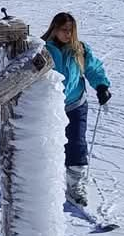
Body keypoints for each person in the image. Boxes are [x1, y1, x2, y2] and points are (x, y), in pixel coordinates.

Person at [42, 11, 112, 208]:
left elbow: (93, 68)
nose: (68, 35)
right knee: (49, 143)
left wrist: (101, 86)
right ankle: (47, 180)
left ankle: (75, 184)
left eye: (71, 31)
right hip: (50, 105)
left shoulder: (79, 49)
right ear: (54, 29)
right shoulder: (43, 49)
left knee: (77, 142)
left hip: (76, 103)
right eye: (64, 30)